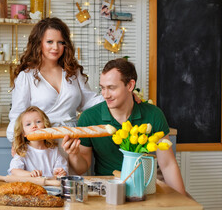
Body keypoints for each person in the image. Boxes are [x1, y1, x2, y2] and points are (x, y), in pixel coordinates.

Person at [62, 58, 187, 196]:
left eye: (111, 87)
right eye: (102, 88)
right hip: (107, 190)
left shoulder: (154, 114)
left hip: (144, 188)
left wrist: (182, 201)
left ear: (130, 85)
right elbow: (81, 168)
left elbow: (168, 164)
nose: (105, 94)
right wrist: (73, 154)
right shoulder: (89, 118)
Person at [6, 17, 104, 143]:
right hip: (42, 143)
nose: (55, 47)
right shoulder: (26, 76)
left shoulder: (73, 72)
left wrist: (120, 96)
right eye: (50, 42)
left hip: (72, 141)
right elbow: (17, 116)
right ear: (39, 43)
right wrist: (16, 143)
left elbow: (90, 102)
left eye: (60, 42)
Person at [8, 106, 68, 177]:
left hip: (50, 187)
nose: (34, 126)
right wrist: (29, 174)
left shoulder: (54, 151)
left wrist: (59, 172)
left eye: (38, 122)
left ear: (45, 127)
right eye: (28, 124)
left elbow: (61, 168)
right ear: (23, 133)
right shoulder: (22, 152)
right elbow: (14, 171)